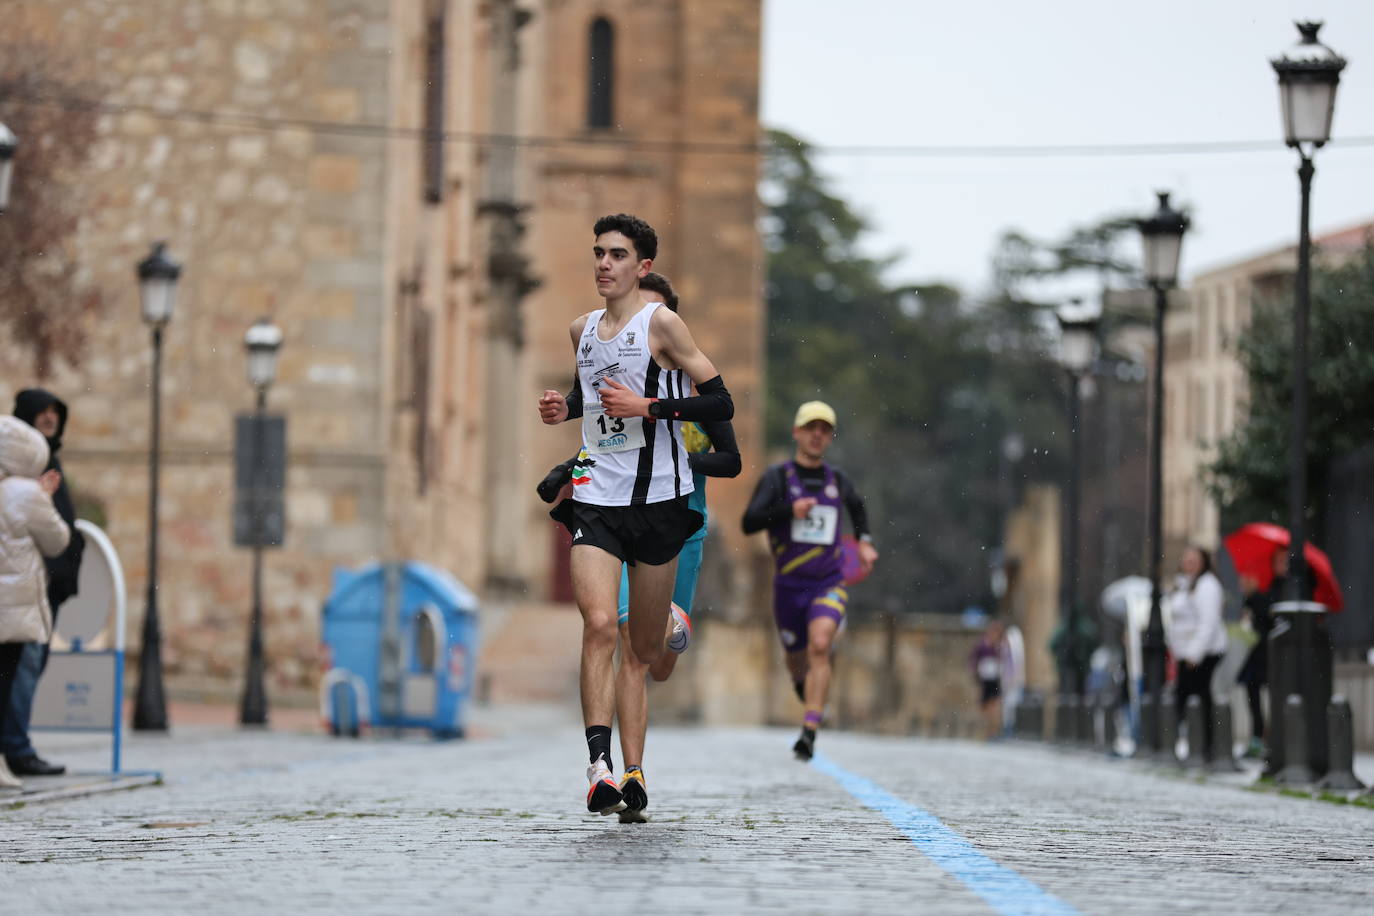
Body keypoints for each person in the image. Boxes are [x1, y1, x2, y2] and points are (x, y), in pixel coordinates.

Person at [536, 214, 734, 820]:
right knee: (600, 625)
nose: (603, 263)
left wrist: (651, 406)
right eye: (598, 253)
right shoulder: (581, 330)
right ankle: (599, 770)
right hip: (597, 499)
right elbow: (592, 397)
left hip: (662, 507)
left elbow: (721, 402)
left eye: (617, 255)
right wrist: (561, 407)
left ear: (641, 267)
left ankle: (637, 771)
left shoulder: (664, 325)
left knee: (644, 650)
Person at [741, 401, 878, 761]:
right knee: (797, 662)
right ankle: (808, 690)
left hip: (828, 582)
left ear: (829, 438)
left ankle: (810, 730)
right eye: (811, 428)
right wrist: (788, 511)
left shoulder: (838, 480)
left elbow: (858, 508)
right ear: (797, 433)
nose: (818, 435)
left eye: (825, 430)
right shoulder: (778, 478)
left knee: (821, 644)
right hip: (788, 587)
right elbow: (749, 522)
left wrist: (864, 542)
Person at [2, 389, 84, 777]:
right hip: (23, 597)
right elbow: (57, 536)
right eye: (43, 412)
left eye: (55, 411)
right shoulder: (27, 489)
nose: (50, 418)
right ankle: (15, 749)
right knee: (19, 672)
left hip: (28, 593)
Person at [1167, 546, 1227, 763]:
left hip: (1202, 654)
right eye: (1186, 559)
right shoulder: (1183, 584)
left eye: (1194, 559)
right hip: (1185, 654)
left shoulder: (1207, 585)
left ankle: (1206, 747)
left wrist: (1195, 653)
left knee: (1194, 699)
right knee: (1189, 699)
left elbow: (1208, 622)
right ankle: (1196, 745)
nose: (1189, 563)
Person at [971, 619, 1005, 741]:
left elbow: (1003, 659)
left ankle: (993, 731)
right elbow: (974, 659)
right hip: (985, 678)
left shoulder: (999, 646)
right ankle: (986, 731)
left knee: (994, 705)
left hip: (995, 678)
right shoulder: (982, 645)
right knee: (985, 706)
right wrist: (976, 672)